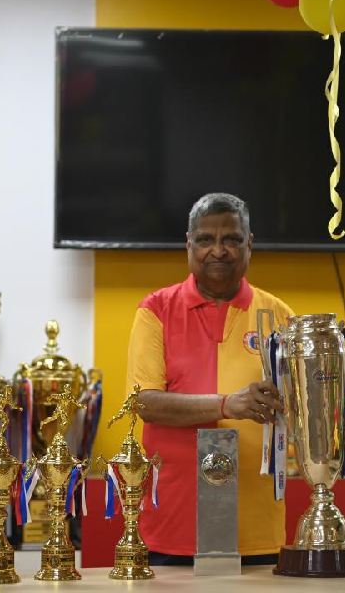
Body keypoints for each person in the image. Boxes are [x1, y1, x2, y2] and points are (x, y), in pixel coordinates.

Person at [125, 192, 293, 565]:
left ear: (249, 245)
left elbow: (298, 411)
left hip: (257, 530)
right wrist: (227, 404)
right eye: (205, 240)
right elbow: (143, 402)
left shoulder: (279, 315)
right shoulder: (155, 310)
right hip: (173, 527)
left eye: (231, 239)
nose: (219, 251)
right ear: (188, 245)